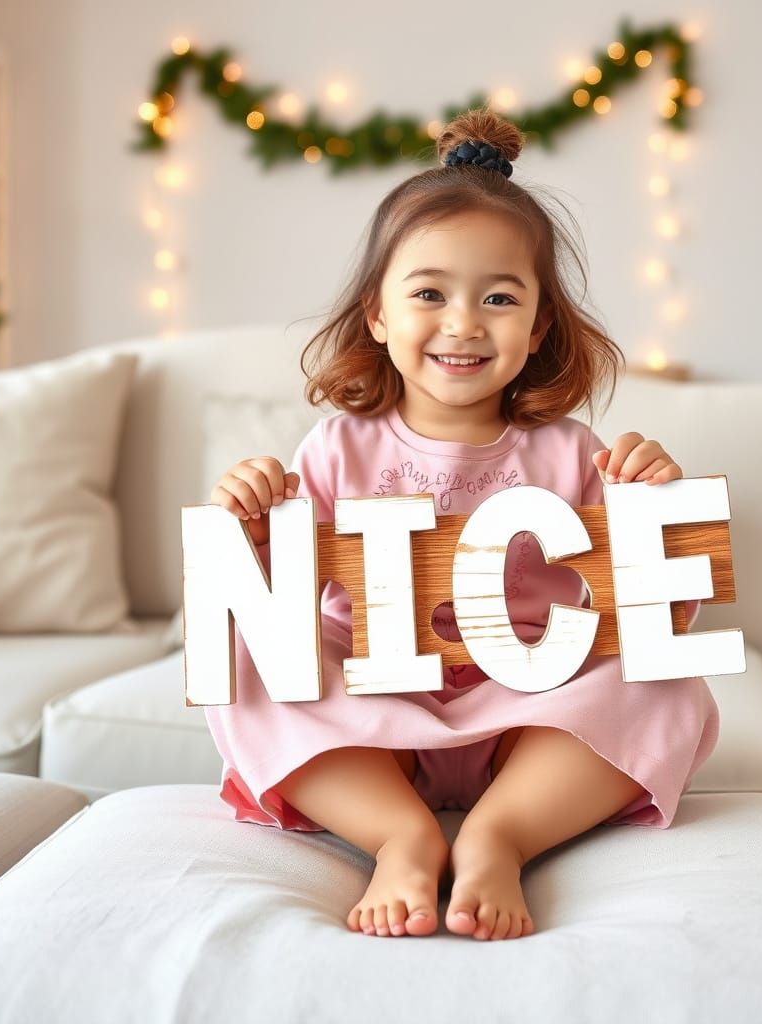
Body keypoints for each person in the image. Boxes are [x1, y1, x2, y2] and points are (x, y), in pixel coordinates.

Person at [203, 106, 719, 943]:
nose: (464, 322)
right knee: (247, 654)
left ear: (539, 324)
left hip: (532, 719)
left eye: (500, 297)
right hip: (375, 713)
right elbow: (280, 601)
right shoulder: (337, 446)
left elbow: (654, 621)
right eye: (430, 293)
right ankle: (398, 833)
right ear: (377, 313)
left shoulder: (573, 452)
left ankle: (498, 834)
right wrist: (255, 528)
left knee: (663, 681)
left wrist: (653, 516)